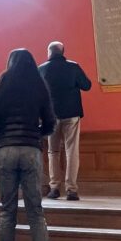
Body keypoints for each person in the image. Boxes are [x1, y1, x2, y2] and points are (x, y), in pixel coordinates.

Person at [0, 49, 56, 241]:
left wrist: (0, 139)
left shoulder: (2, 83)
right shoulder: (39, 84)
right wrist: (36, 135)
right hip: (31, 150)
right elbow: (50, 122)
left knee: (7, 212)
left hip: (5, 150)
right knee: (36, 213)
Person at [39, 41, 92, 201]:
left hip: (51, 115)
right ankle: (71, 190)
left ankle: (54, 187)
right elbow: (87, 85)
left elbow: (38, 93)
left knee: (53, 152)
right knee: (71, 151)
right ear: (63, 52)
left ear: (49, 52)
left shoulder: (41, 69)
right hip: (72, 113)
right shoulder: (73, 66)